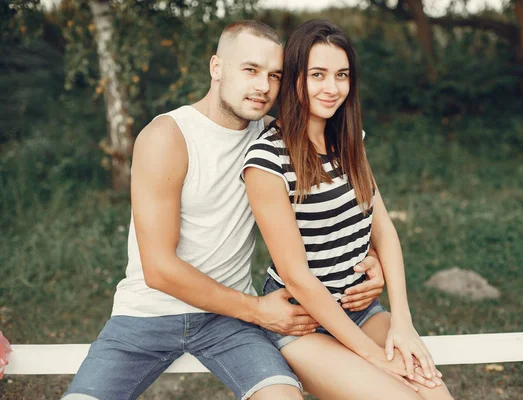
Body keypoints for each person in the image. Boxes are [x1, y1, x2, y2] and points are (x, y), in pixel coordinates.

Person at [63, 20, 387, 400]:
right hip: (146, 316)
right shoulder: (167, 136)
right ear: (216, 67)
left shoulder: (273, 140)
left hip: (227, 320)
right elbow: (159, 269)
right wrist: (257, 310)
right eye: (250, 70)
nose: (263, 87)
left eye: (274, 75)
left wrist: (370, 255)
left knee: (282, 397)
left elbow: (338, 208)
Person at [242, 19, 455, 399]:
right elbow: (296, 276)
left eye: (342, 75)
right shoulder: (266, 160)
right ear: (294, 78)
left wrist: (402, 324)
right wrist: (372, 355)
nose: (332, 87)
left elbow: (384, 228)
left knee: (437, 395)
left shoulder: (349, 140)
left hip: (363, 311)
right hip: (303, 322)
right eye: (318, 74)